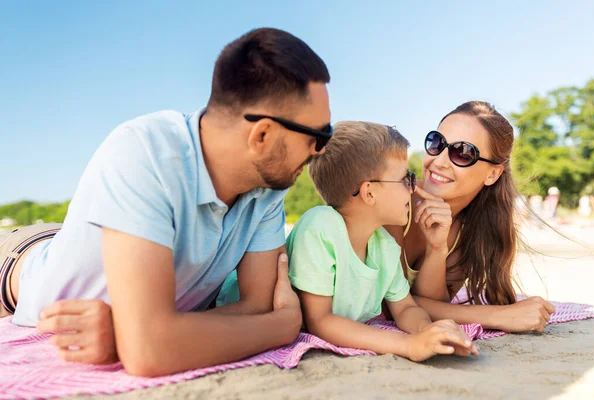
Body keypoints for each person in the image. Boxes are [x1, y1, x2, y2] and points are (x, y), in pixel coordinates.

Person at [0, 27, 332, 376]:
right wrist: (282, 327)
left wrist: (146, 334)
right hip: (17, 264)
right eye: (318, 136)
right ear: (262, 135)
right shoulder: (146, 152)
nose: (320, 150)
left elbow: (257, 306)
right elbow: (150, 352)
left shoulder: (268, 186)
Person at [280, 121, 476, 359]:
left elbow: (405, 308)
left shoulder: (384, 245)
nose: (413, 189)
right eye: (406, 178)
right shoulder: (320, 228)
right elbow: (320, 321)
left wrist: (427, 331)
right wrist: (408, 345)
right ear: (369, 192)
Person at [385, 101, 556, 333]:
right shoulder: (395, 201)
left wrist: (436, 250)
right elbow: (389, 304)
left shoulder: (472, 230)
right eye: (436, 143)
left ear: (493, 173)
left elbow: (433, 306)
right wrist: (499, 315)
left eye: (463, 153)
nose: (440, 161)